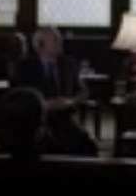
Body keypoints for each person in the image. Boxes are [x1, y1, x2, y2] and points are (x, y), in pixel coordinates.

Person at [11, 27, 98, 156]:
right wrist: (44, 105)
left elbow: (83, 92)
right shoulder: (25, 67)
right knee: (46, 146)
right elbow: (17, 97)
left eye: (60, 40)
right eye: (55, 40)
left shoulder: (69, 64)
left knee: (88, 146)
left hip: (65, 119)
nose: (60, 43)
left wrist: (70, 101)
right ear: (39, 45)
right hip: (37, 121)